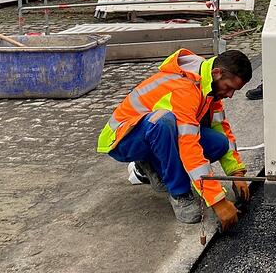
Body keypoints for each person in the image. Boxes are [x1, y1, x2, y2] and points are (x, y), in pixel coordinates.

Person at [97, 49, 253, 229]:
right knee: (164, 123)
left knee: (219, 143)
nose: (230, 94)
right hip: (123, 139)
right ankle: (179, 193)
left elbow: (221, 128)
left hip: (154, 135)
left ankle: (152, 164)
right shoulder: (185, 88)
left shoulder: (209, 85)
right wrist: (217, 201)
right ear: (217, 73)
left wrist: (236, 173)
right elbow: (189, 145)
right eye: (229, 87)